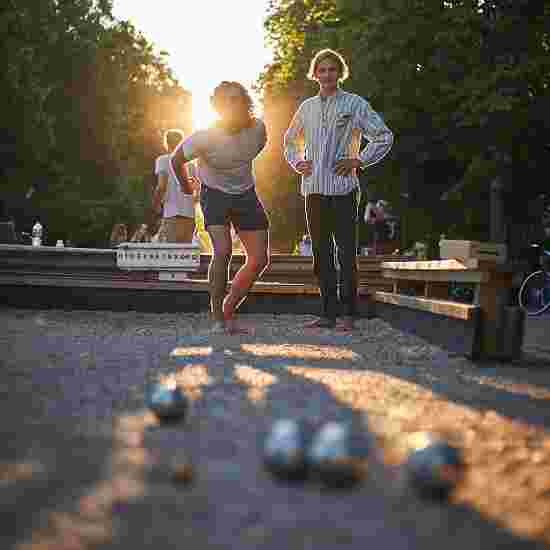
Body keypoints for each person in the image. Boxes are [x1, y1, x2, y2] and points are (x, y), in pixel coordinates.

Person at [284, 49, 394, 330]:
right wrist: (298, 162)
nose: (327, 74)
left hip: (344, 189)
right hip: (314, 190)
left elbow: (383, 136)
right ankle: (327, 314)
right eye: (322, 70)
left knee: (346, 254)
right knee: (320, 253)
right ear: (315, 74)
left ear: (340, 72)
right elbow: (290, 141)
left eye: (332, 69)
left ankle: (348, 314)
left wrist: (360, 160)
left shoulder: (354, 104)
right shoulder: (307, 107)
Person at [169, 81, 270, 333]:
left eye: (236, 99)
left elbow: (252, 150)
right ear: (217, 106)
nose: (232, 105)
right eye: (225, 101)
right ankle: (217, 318)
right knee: (223, 251)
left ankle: (229, 307)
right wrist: (185, 186)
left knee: (259, 259)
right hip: (214, 195)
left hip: (245, 193)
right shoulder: (204, 137)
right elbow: (176, 159)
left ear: (245, 101)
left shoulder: (258, 129)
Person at [152, 129, 198, 243]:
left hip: (172, 215)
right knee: (185, 256)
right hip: (189, 216)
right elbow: (197, 194)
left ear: (166, 143)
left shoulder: (162, 160)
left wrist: (155, 205)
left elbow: (161, 187)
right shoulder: (191, 165)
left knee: (171, 254)